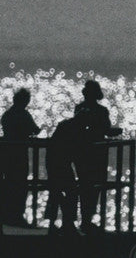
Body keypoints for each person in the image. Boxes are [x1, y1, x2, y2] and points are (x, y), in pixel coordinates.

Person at [72, 79, 122, 233]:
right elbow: (106, 130)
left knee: (84, 185)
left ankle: (84, 219)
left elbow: (77, 128)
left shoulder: (79, 108)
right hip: (97, 155)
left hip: (80, 153)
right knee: (95, 186)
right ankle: (88, 219)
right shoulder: (102, 111)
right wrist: (116, 131)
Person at [0, 88, 40, 227]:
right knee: (20, 184)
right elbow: (35, 129)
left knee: (7, 183)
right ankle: (17, 215)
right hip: (19, 154)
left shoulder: (7, 114)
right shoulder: (24, 115)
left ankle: (6, 215)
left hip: (6, 153)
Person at [44, 114, 81, 235]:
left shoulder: (65, 126)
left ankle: (54, 224)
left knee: (56, 193)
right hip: (61, 164)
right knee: (71, 192)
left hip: (54, 162)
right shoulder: (74, 129)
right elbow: (74, 151)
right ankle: (68, 223)